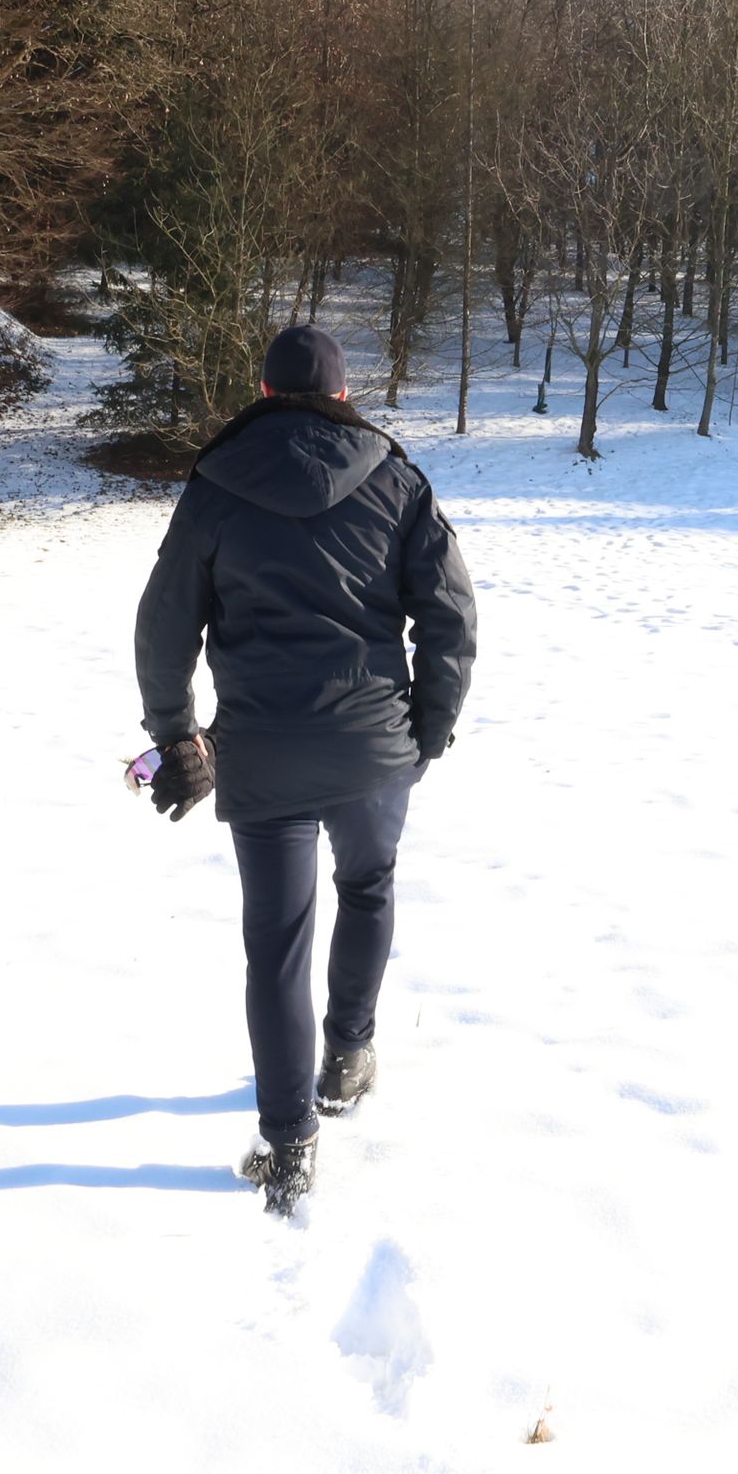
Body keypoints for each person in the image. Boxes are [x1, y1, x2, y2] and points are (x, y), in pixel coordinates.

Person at [135, 324, 477, 1214]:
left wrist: (176, 736)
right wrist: (425, 733)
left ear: (262, 386)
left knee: (275, 943)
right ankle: (349, 1054)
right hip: (371, 749)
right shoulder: (397, 480)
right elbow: (451, 616)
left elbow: (163, 623)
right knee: (368, 887)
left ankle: (289, 1142)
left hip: (263, 749)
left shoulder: (216, 485)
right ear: (344, 394)